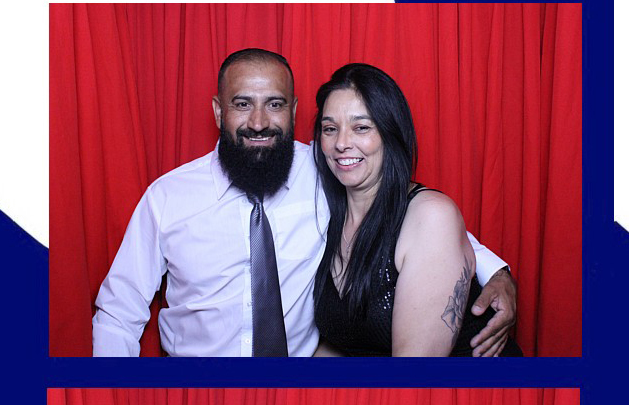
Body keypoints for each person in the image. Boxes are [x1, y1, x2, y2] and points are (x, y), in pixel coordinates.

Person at [91, 47, 515, 359]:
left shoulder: (327, 167)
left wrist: (495, 270)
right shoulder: (167, 197)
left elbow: (407, 213)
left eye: (274, 105)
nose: (259, 122)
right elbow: (118, 312)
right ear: (219, 112)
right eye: (243, 104)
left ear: (293, 111)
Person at [312, 63, 521, 358]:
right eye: (330, 129)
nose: (341, 143)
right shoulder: (323, 210)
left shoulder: (430, 216)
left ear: (390, 133)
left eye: (361, 127)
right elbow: (342, 344)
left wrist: (498, 272)